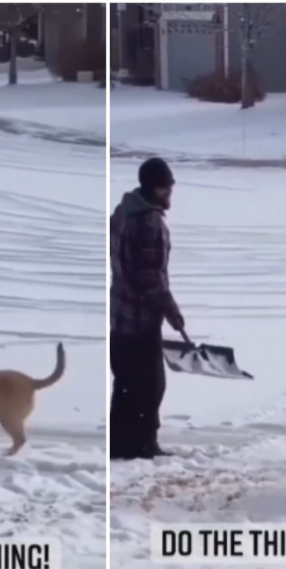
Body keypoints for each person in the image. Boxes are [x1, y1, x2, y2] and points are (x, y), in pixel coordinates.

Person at [109, 157, 184, 460]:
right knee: (151, 386)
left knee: (125, 384)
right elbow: (150, 276)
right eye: (166, 189)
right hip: (141, 319)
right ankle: (143, 444)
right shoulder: (150, 222)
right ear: (155, 189)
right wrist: (172, 311)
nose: (169, 195)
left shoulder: (122, 211)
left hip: (119, 316)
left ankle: (120, 443)